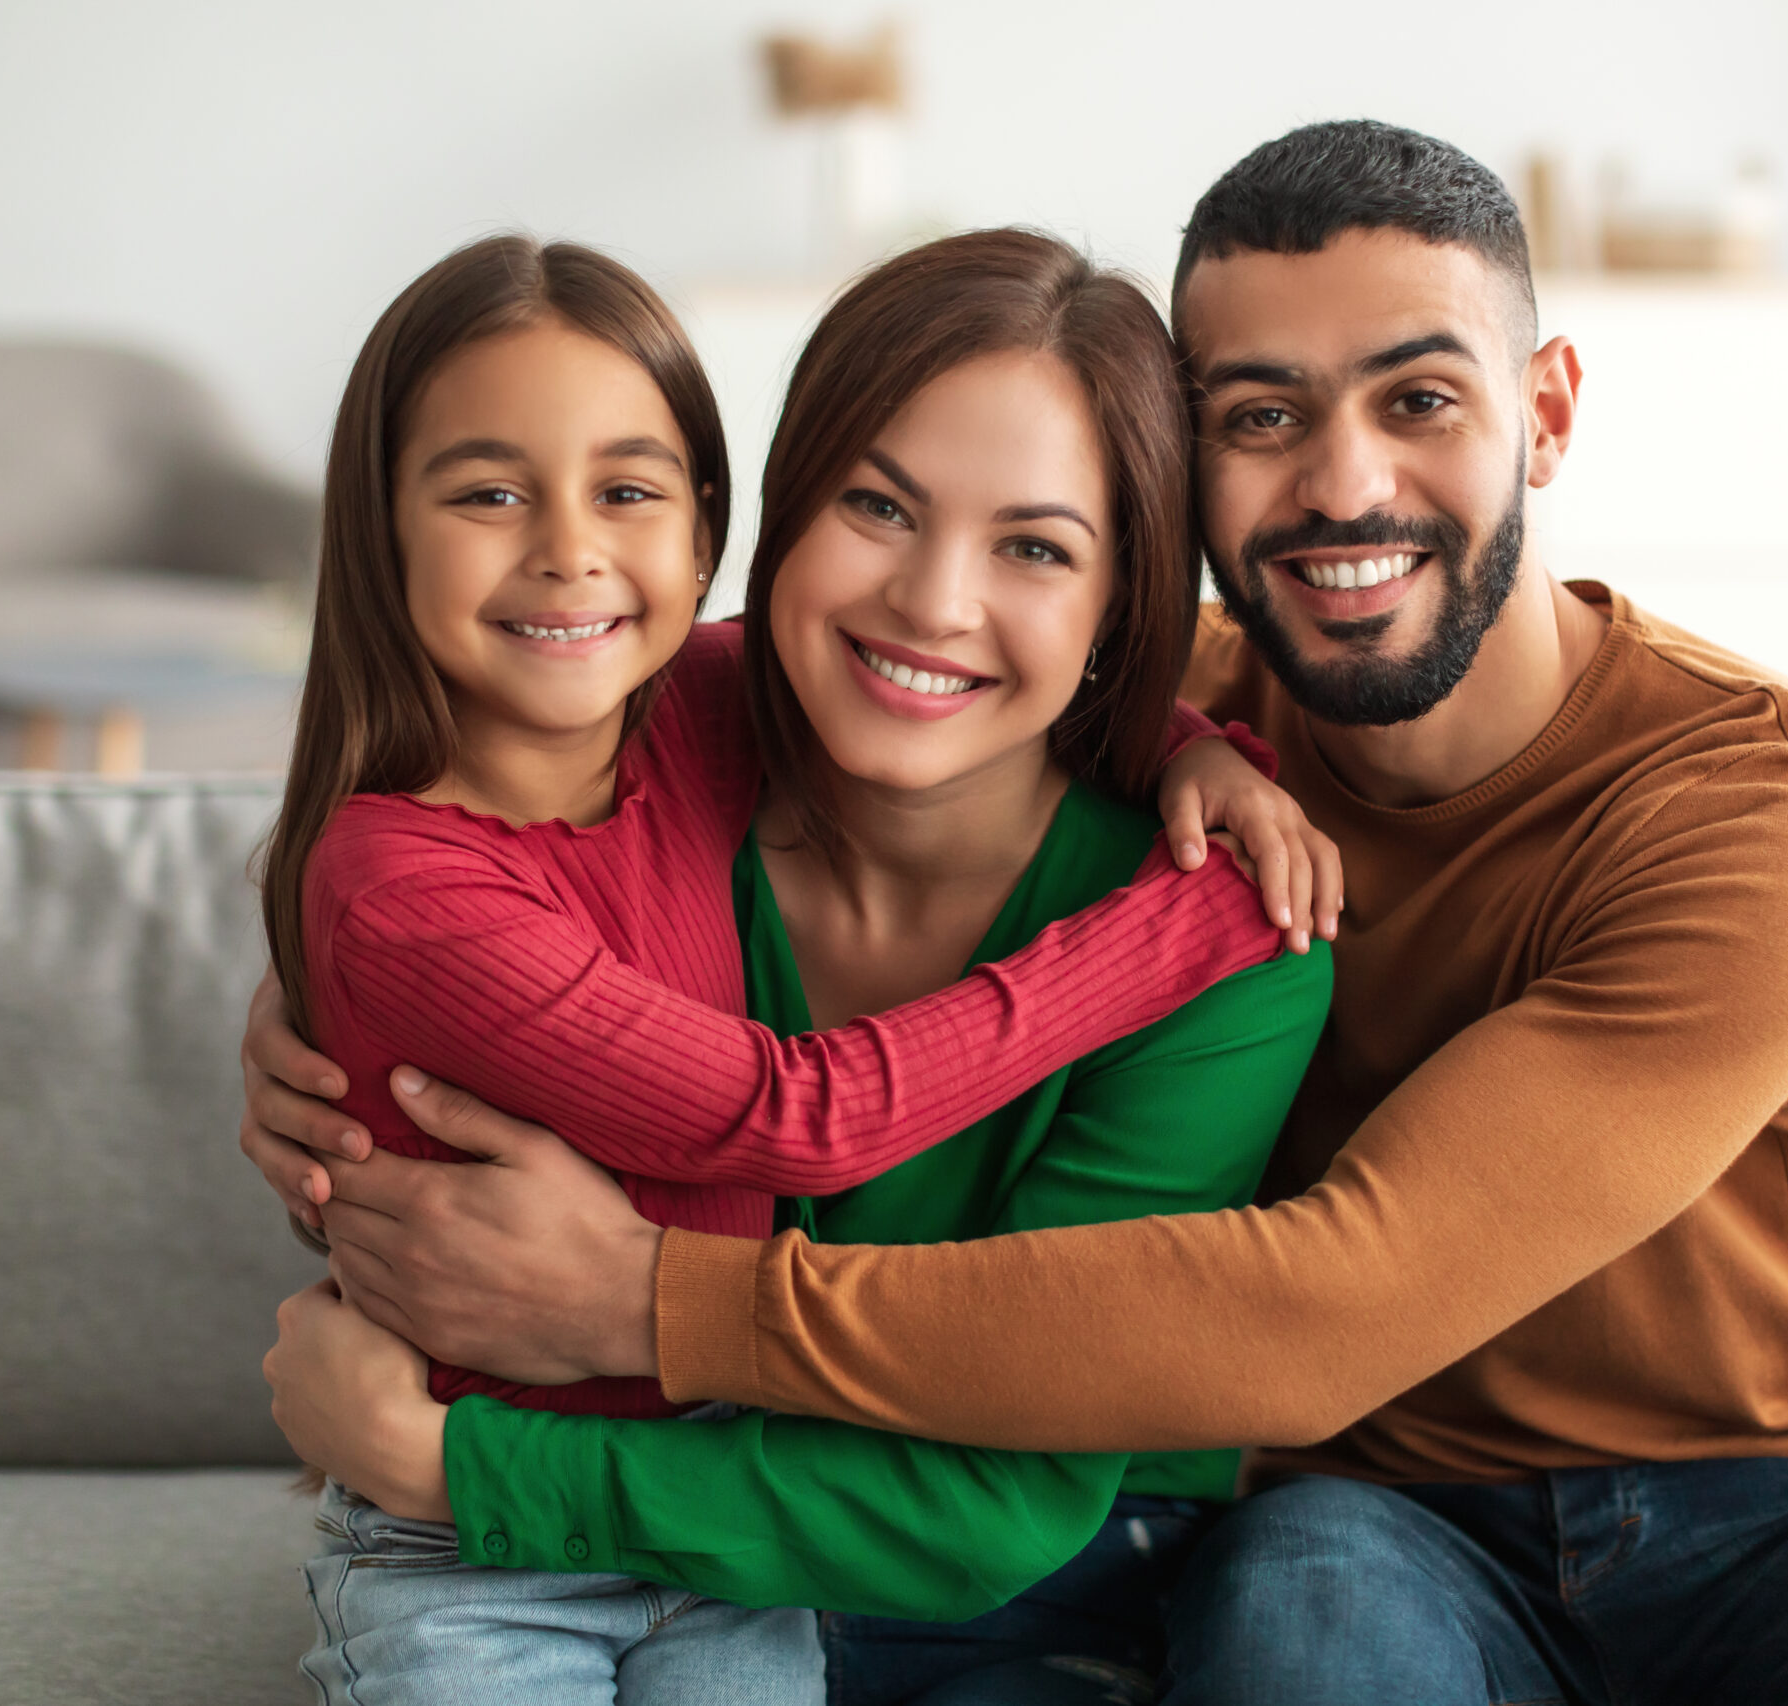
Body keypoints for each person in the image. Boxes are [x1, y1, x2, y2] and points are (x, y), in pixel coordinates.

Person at [246, 124, 1788, 1703]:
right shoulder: (1096, 704)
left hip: (1762, 1495)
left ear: (1544, 412)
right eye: (1258, 420)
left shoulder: (1763, 826)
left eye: (1416, 401)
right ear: (1190, 491)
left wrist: (636, 1305)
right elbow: (570, 710)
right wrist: (334, 1010)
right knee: (1301, 1645)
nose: (1338, 485)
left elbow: (1320, 1303)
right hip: (1355, 1516)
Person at [258, 231, 1331, 1706]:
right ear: (772, 515)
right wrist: (304, 1017)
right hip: (585, 1557)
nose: (934, 601)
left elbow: (995, 1506)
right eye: (879, 506)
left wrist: (451, 1460)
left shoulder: (1230, 941)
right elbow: (454, 867)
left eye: (1035, 546)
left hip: (1009, 1583)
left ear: (1122, 607)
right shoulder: (680, 734)